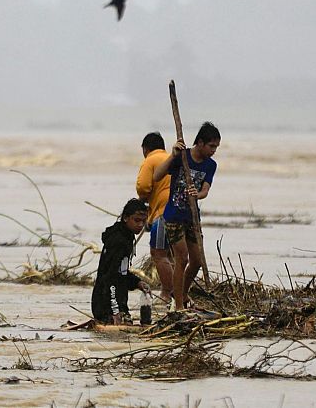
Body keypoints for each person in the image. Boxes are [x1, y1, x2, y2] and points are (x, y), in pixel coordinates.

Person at [153, 122, 220, 311]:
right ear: (200, 143)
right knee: (181, 258)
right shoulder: (182, 157)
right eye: (211, 146)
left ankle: (181, 293)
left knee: (197, 260)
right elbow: (157, 176)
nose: (214, 150)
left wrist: (197, 195)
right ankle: (178, 307)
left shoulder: (210, 165)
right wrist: (172, 155)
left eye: (216, 147)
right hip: (173, 216)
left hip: (192, 218)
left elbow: (205, 190)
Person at [91, 198, 151, 324]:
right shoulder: (118, 241)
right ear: (125, 218)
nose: (140, 225)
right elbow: (110, 277)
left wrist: (137, 282)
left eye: (143, 221)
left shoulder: (126, 237)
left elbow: (121, 272)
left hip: (117, 302)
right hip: (105, 304)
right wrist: (115, 311)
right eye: (137, 220)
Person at [135, 132, 174, 303]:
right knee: (174, 255)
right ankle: (178, 293)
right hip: (179, 212)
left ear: (145, 149)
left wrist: (142, 200)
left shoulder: (150, 160)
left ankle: (167, 293)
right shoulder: (171, 158)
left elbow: (143, 188)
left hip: (163, 213)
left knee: (159, 254)